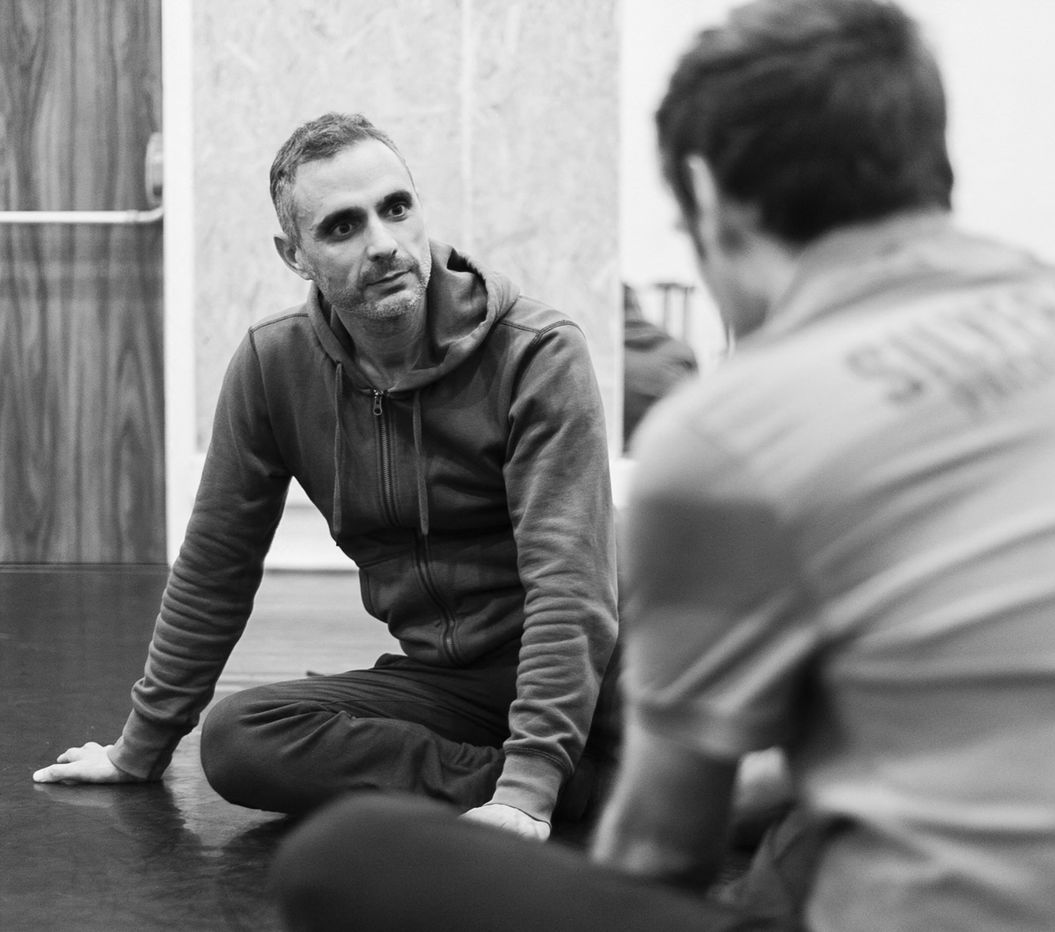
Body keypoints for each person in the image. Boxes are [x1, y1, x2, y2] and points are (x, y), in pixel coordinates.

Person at [268, 1, 1055, 929]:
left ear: (705, 194)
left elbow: (660, 859)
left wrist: (549, 801)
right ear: (929, 153)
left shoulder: (729, 431)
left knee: (344, 855)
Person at [32, 112, 619, 841]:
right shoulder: (273, 365)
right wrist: (139, 748)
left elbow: (570, 589)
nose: (384, 243)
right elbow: (215, 566)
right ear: (295, 254)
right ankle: (582, 790)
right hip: (449, 683)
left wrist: (527, 787)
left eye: (396, 208)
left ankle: (549, 777)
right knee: (239, 739)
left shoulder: (538, 354)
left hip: (596, 678)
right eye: (343, 226)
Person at [621, 283, 697, 449]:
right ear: (637, 305)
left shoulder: (605, 361)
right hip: (670, 449)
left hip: (621, 451)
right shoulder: (681, 351)